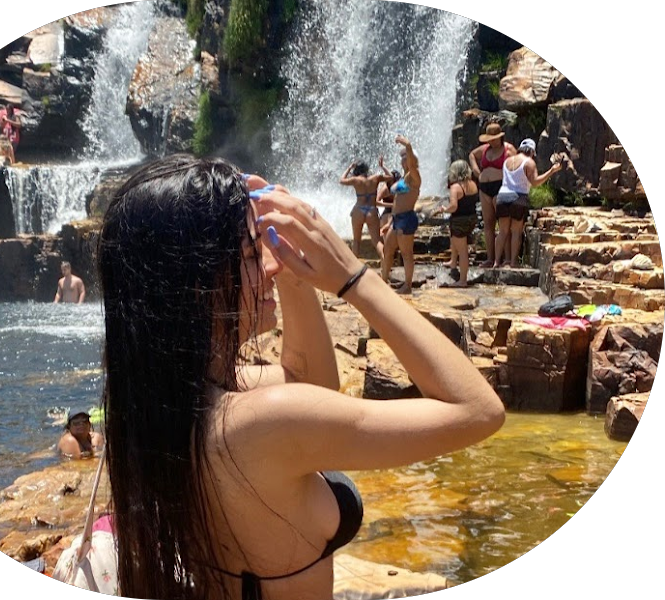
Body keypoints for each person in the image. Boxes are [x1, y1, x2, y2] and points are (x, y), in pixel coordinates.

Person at [94, 154, 504, 599]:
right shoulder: (261, 422)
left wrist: (293, 272)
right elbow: (478, 410)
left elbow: (312, 385)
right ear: (196, 285)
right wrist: (353, 276)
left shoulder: (165, 397)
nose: (269, 265)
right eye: (252, 253)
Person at [493, 138, 562, 268]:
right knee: (516, 232)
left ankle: (496, 262)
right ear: (531, 151)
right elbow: (535, 182)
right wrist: (551, 171)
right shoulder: (529, 162)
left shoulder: (507, 161)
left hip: (502, 196)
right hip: (518, 197)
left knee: (502, 232)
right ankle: (513, 262)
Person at [469, 123, 517, 267]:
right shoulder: (485, 149)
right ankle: (490, 258)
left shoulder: (508, 149)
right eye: (489, 139)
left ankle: (507, 258)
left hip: (500, 187)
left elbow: (516, 166)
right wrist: (476, 171)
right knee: (488, 224)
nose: (491, 141)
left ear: (500, 137)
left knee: (503, 225)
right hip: (484, 189)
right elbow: (472, 155)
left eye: (493, 138)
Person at [381, 134, 421, 293]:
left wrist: (408, 145)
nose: (403, 160)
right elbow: (397, 201)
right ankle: (383, 281)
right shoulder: (403, 178)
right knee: (388, 250)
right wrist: (389, 223)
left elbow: (412, 164)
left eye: (406, 157)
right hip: (396, 219)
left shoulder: (414, 176)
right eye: (402, 157)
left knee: (406, 253)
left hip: (407, 218)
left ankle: (408, 285)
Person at [434, 160, 480, 287]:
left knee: (463, 250)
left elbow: (453, 207)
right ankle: (453, 262)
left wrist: (444, 209)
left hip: (459, 220)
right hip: (471, 218)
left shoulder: (455, 187)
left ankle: (463, 280)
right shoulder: (473, 184)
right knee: (454, 239)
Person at [339, 159, 393, 259]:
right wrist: (382, 166)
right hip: (371, 210)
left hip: (358, 210)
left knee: (356, 241)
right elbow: (391, 177)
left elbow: (341, 180)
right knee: (377, 241)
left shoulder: (356, 180)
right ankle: (385, 261)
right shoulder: (375, 178)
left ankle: (354, 266)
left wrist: (349, 168)